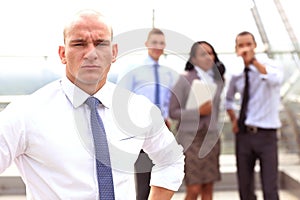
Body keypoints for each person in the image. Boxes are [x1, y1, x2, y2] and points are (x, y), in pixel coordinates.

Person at [0, 10, 185, 200]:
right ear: (62, 54)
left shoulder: (138, 108)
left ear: (113, 52)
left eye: (100, 43)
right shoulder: (25, 114)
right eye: (79, 43)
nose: (91, 53)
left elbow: (171, 160)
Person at [117, 28, 178, 200]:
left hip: (162, 129)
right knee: (143, 181)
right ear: (146, 45)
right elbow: (121, 97)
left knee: (163, 177)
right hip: (140, 129)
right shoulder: (133, 69)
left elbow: (167, 101)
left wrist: (165, 118)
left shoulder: (167, 73)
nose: (158, 46)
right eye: (154, 42)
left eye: (161, 43)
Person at [226, 31, 283, 200]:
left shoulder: (270, 65)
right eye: (241, 45)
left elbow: (275, 80)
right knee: (245, 187)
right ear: (236, 49)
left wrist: (254, 62)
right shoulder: (236, 73)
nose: (245, 49)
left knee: (270, 187)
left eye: (249, 44)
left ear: (255, 46)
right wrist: (234, 120)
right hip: (244, 135)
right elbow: (228, 100)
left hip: (267, 135)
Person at [169, 41, 226, 200]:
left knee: (208, 187)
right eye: (203, 54)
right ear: (193, 59)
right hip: (190, 140)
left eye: (211, 53)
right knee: (194, 189)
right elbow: (172, 112)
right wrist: (197, 112)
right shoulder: (184, 79)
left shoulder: (218, 80)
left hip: (211, 138)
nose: (208, 57)